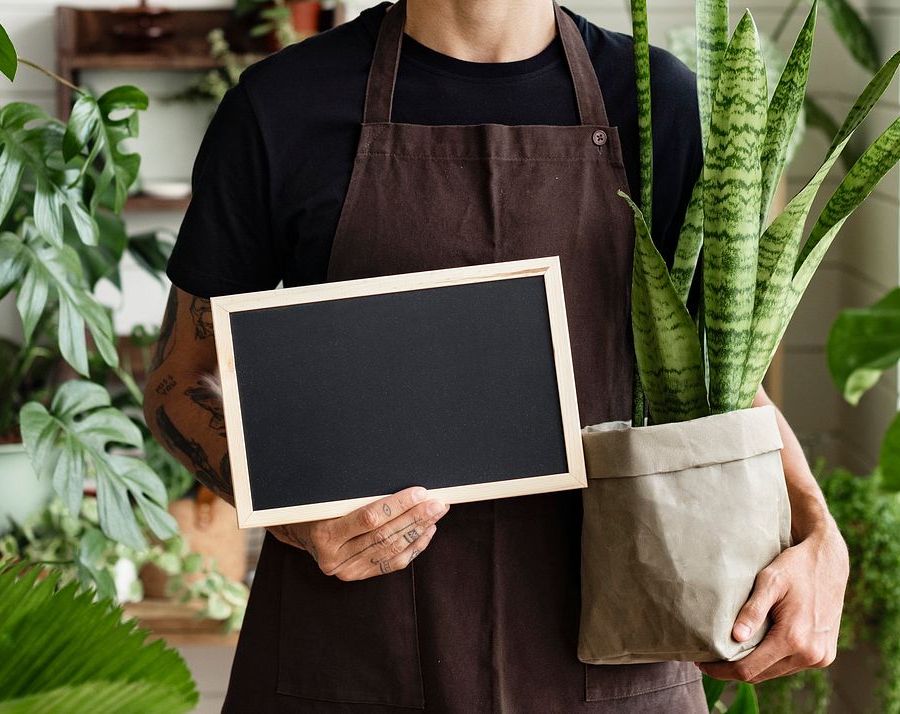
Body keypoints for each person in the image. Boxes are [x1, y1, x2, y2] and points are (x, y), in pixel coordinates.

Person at [144, 1, 850, 711]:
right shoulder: (282, 106)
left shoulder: (657, 103)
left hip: (609, 663)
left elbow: (722, 380)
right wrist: (294, 518)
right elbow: (179, 383)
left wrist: (820, 532)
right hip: (347, 657)